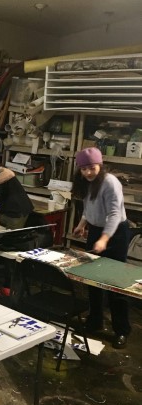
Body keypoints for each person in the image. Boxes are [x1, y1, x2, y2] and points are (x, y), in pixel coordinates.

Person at [72, 147, 131, 349]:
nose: (88, 172)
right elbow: (89, 207)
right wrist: (82, 224)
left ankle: (121, 330)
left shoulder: (110, 183)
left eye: (92, 168)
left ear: (100, 165)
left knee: (115, 283)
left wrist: (105, 238)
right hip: (97, 231)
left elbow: (115, 214)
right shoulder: (85, 182)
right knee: (93, 279)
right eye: (84, 169)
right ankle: (95, 320)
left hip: (116, 233)